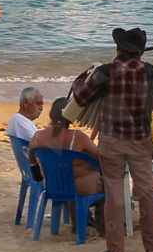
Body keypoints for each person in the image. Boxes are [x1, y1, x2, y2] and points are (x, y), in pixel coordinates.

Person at [71, 27, 153, 252]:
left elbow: (80, 99)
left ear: (118, 49)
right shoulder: (150, 71)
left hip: (111, 139)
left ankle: (116, 250)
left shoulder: (104, 72)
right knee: (146, 192)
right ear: (140, 53)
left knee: (114, 192)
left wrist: (81, 80)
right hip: (141, 138)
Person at [28, 97, 103, 235]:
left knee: (71, 180)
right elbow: (100, 156)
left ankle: (76, 226)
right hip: (81, 187)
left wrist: (38, 176)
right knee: (108, 185)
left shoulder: (38, 136)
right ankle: (104, 229)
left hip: (53, 186)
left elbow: (31, 155)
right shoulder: (78, 137)